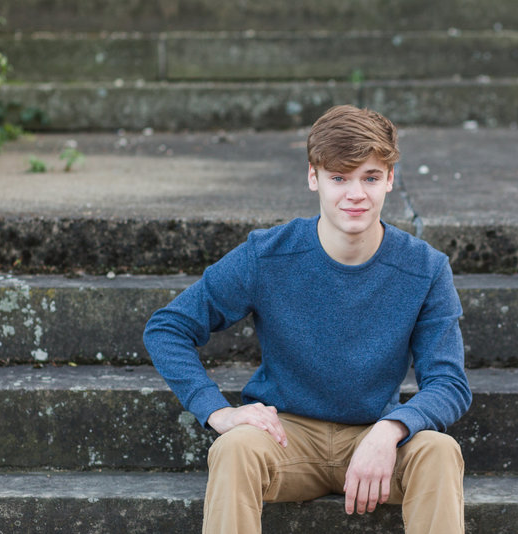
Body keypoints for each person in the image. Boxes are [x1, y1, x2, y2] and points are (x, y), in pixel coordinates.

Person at [143, 105, 472, 533]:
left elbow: (449, 382)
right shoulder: (268, 254)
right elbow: (168, 327)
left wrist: (392, 428)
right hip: (285, 438)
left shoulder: (424, 268)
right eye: (339, 177)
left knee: (439, 451)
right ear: (313, 177)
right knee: (235, 447)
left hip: (375, 437)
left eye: (370, 177)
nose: (356, 194)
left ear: (390, 179)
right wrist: (217, 412)